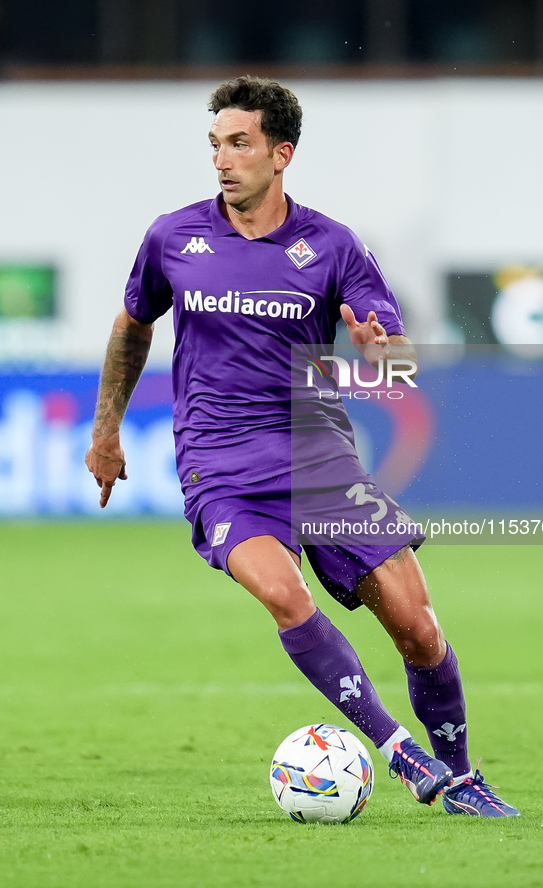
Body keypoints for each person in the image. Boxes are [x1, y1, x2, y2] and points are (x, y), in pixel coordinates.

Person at [85, 75, 518, 817]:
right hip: (217, 461)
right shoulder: (172, 237)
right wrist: (106, 431)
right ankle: (398, 750)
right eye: (215, 144)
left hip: (318, 458)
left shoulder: (331, 245)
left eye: (240, 143)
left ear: (280, 154)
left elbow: (397, 361)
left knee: (417, 628)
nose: (223, 159)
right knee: (284, 594)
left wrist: (378, 347)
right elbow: (133, 326)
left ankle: (460, 774)